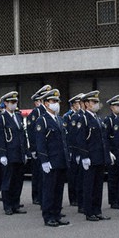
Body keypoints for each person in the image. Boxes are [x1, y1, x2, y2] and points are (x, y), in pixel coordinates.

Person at [72, 91, 112, 221]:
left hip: (99, 157)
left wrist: (107, 155)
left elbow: (103, 139)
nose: (96, 104)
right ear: (86, 104)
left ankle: (97, 210)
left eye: (97, 102)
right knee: (89, 186)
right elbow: (80, 139)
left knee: (98, 186)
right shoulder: (83, 118)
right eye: (93, 102)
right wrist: (84, 156)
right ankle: (89, 212)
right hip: (90, 158)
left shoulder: (97, 118)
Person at [34, 89, 71, 227]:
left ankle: (56, 214)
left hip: (61, 160)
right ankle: (48, 216)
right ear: (45, 103)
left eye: (57, 101)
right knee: (49, 190)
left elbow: (63, 141)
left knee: (58, 190)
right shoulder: (42, 120)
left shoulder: (60, 119)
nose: (56, 104)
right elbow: (40, 143)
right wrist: (44, 160)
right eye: (53, 101)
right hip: (50, 161)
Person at [0, 91, 28, 216]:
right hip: (9, 154)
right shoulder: (2, 118)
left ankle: (16, 204)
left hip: (19, 154)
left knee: (18, 181)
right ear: (5, 103)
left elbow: (22, 136)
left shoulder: (19, 116)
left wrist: (25, 152)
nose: (14, 104)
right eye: (11, 102)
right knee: (8, 181)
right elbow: (0, 138)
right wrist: (2, 154)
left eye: (15, 102)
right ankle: (7, 206)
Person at [27, 85, 52, 206]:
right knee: (38, 174)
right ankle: (37, 196)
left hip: (49, 150)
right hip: (39, 149)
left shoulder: (49, 112)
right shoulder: (36, 112)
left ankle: (44, 198)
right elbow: (32, 132)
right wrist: (33, 149)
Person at [63, 93, 83, 208]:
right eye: (77, 103)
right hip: (72, 149)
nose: (79, 105)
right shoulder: (68, 116)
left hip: (78, 149)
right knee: (72, 176)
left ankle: (78, 196)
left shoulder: (80, 115)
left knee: (79, 176)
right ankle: (73, 198)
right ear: (73, 105)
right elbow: (69, 135)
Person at [104, 95, 119, 209]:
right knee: (113, 178)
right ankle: (113, 200)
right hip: (113, 152)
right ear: (112, 107)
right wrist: (108, 152)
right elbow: (105, 138)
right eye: (117, 105)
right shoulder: (109, 120)